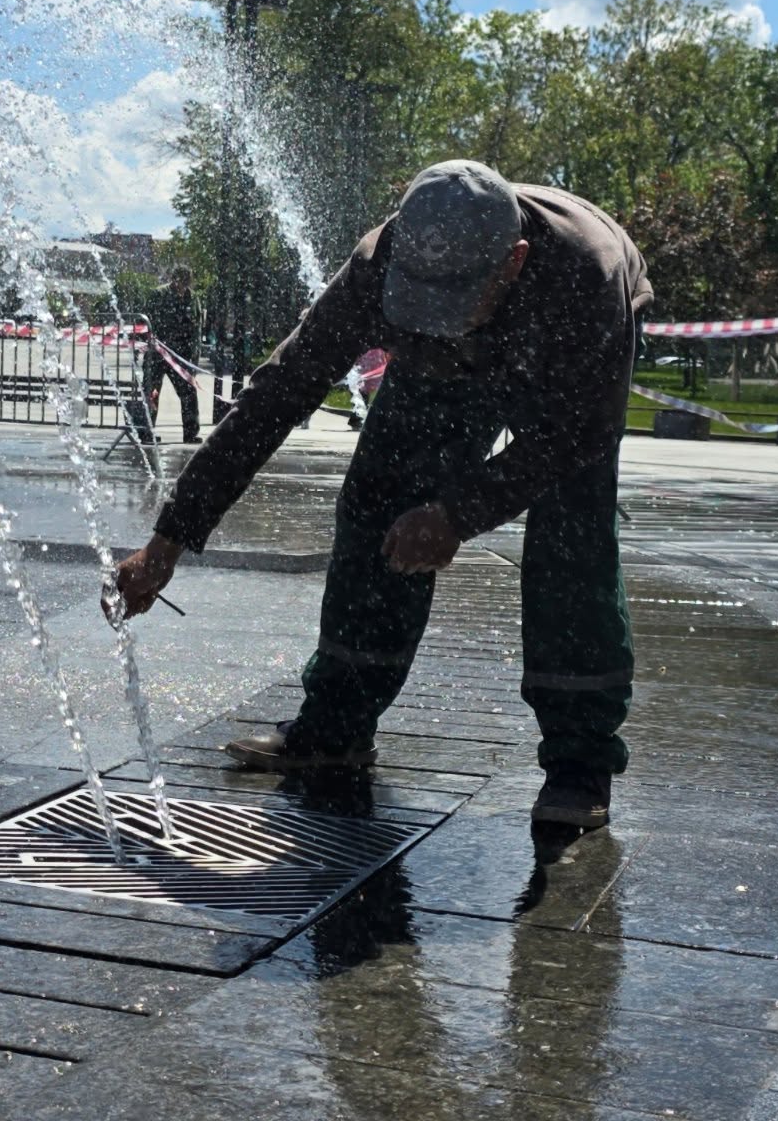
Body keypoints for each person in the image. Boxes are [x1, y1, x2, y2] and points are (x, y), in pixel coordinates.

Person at [109, 160, 652, 831]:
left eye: (452, 302)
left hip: (560, 360)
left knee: (572, 535)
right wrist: (170, 537)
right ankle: (337, 728)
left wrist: (457, 513)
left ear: (512, 262)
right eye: (419, 301)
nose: (437, 321)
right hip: (444, 377)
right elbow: (276, 397)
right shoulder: (377, 264)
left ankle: (579, 759)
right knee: (378, 500)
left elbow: (574, 437)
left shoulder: (585, 279)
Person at [138, 265, 203, 445]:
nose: (185, 283)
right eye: (182, 279)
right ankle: (146, 432)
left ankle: (191, 433)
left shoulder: (193, 298)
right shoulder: (158, 295)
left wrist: (194, 359)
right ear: (174, 279)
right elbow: (145, 323)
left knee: (189, 393)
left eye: (188, 279)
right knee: (151, 392)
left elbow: (197, 328)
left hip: (181, 356)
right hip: (158, 353)